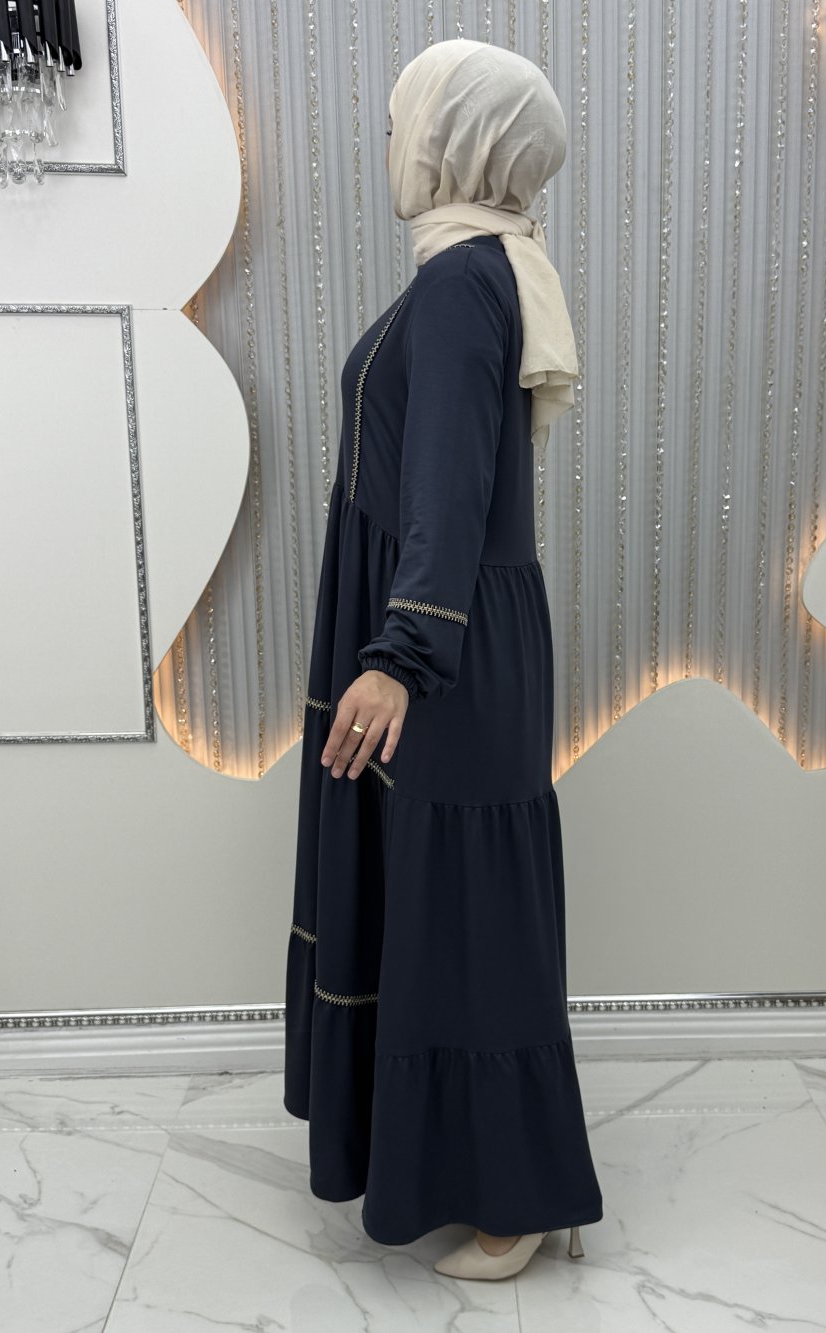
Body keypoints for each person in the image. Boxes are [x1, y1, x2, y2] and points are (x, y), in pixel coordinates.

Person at [284, 36, 603, 1281]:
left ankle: (513, 1202)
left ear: (450, 140)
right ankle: (494, 1176)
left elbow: (450, 483)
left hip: (442, 648)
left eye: (398, 122)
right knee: (447, 908)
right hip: (444, 634)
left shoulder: (467, 280)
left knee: (466, 916)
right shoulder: (472, 268)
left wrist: (400, 655)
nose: (386, 146)